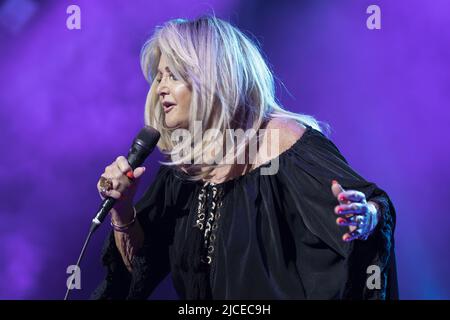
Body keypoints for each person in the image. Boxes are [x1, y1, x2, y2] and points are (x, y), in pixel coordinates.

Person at [91, 16, 398, 300]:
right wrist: (122, 208)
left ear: (213, 78)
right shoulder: (185, 169)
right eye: (159, 78)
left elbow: (373, 206)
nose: (161, 89)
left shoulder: (282, 142)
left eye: (173, 76)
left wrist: (367, 216)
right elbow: (138, 271)